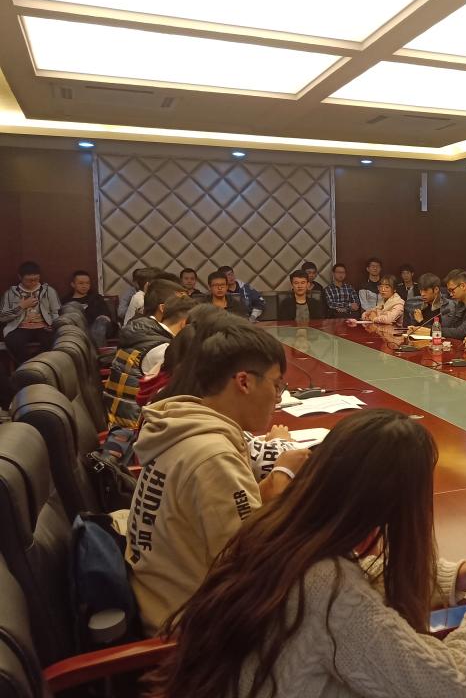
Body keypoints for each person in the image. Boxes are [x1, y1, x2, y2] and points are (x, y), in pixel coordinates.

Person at [144, 409, 466, 698]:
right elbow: (453, 683)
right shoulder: (327, 591)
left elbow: (359, 572)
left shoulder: (274, 529)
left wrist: (449, 577)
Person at [125, 320, 309, 636]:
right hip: (192, 631)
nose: (278, 398)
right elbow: (251, 564)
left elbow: (223, 516)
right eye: (276, 385)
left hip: (161, 599)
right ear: (244, 381)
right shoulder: (212, 456)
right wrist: (282, 478)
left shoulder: (181, 424)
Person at [103, 279, 189, 429]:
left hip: (119, 418)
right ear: (163, 308)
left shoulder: (140, 329)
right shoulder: (160, 348)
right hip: (134, 427)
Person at [1, 260, 62, 365]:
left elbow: (55, 312)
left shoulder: (48, 291)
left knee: (53, 339)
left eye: (36, 279)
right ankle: (27, 366)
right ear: (20, 277)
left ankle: (40, 364)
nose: (33, 283)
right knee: (13, 341)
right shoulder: (10, 293)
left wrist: (53, 325)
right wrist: (21, 306)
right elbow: (2, 317)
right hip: (19, 327)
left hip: (43, 326)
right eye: (29, 280)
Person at [412, 270, 466, 340]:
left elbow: (462, 332)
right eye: (449, 291)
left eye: (452, 290)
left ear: (463, 286)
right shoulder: (460, 302)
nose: (450, 294)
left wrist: (430, 330)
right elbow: (453, 328)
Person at [61, 269, 113, 349]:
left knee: (100, 322)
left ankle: (99, 354)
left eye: (87, 283)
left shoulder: (96, 298)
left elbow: (106, 316)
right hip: (76, 329)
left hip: (99, 327)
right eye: (81, 283)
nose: (84, 286)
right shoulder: (66, 301)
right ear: (73, 284)